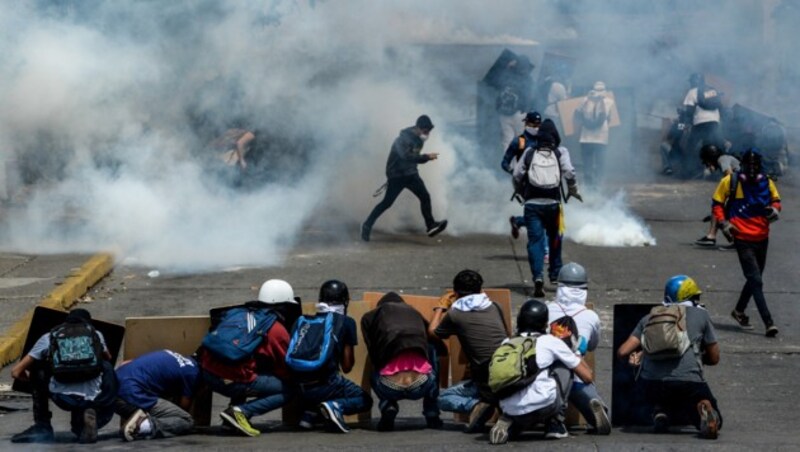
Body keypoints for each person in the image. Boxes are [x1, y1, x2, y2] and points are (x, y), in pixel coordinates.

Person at [617, 275, 722, 439]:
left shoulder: (650, 317)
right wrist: (699, 358)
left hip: (652, 383)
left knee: (657, 393)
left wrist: (641, 354)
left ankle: (660, 413)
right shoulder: (701, 315)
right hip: (688, 382)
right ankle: (703, 407)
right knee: (701, 408)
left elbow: (622, 351)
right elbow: (714, 358)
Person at [199, 279, 298, 437]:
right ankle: (242, 412)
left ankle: (229, 423)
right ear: (282, 305)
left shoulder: (237, 312)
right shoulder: (276, 330)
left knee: (246, 365)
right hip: (230, 381)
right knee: (289, 389)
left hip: (206, 373)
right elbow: (285, 368)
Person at [488, 299, 594, 444]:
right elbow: (587, 377)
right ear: (545, 324)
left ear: (519, 321)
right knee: (564, 367)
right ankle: (555, 424)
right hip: (544, 406)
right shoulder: (550, 341)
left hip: (508, 407)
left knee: (521, 413)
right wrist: (573, 351)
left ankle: (509, 423)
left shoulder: (507, 343)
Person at [10, 309, 117, 444]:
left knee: (38, 369)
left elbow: (15, 371)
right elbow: (108, 357)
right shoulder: (96, 335)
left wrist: (34, 381)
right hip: (91, 397)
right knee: (106, 365)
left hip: (62, 397)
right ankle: (86, 423)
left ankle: (43, 426)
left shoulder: (49, 337)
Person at [428, 269, 509, 433]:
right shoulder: (495, 306)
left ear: (456, 293)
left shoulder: (455, 314)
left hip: (485, 376)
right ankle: (490, 404)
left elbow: (433, 331)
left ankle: (480, 404)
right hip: (508, 367)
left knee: (443, 399)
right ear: (481, 290)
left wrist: (440, 306)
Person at [711, 149, 782, 337]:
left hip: (762, 238)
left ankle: (739, 311)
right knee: (756, 281)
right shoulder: (731, 181)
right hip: (742, 238)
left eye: (754, 166)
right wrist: (724, 223)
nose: (751, 170)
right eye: (748, 165)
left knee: (754, 279)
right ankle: (768, 322)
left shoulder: (767, 182)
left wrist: (775, 211)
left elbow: (776, 201)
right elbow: (717, 203)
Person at [512, 119, 582, 297]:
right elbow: (570, 172)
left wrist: (519, 192)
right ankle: (555, 274)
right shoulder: (560, 152)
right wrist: (572, 190)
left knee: (535, 242)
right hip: (554, 205)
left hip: (532, 205)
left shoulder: (529, 152)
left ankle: (537, 277)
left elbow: (516, 174)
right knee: (556, 239)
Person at [292, 280, 373, 433]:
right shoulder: (346, 322)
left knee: (318, 384)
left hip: (298, 387)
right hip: (325, 384)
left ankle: (309, 414)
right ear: (344, 301)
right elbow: (347, 366)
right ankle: (335, 406)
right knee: (364, 400)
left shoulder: (304, 321)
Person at [361, 291, 444, 431]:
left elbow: (372, 351)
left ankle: (388, 405)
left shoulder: (369, 317)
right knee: (432, 348)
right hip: (422, 384)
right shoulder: (414, 312)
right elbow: (434, 337)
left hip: (389, 387)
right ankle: (432, 413)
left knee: (374, 359)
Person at [546, 262, 611, 435]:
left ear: (560, 287)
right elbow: (592, 346)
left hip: (546, 375)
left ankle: (552, 421)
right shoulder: (590, 316)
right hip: (576, 375)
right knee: (581, 386)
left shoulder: (546, 309)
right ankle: (597, 406)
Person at [361, 115, 447, 242]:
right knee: (387, 203)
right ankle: (367, 225)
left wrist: (423, 159)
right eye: (425, 131)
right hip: (397, 176)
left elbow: (414, 157)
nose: (427, 134)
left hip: (411, 174)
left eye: (428, 132)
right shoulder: (402, 140)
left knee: (425, 197)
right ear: (418, 128)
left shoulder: (419, 139)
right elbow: (406, 156)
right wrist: (426, 157)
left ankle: (431, 226)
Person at [114, 349, 201, 441]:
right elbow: (184, 406)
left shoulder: (169, 352)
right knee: (186, 420)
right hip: (131, 394)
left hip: (113, 387)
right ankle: (142, 425)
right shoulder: (193, 372)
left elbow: (125, 363)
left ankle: (139, 419)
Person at [695, 144, 740, 247]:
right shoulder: (724, 158)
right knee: (718, 206)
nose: (706, 164)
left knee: (718, 205)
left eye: (707, 161)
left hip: (742, 190)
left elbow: (730, 178)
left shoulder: (722, 159)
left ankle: (733, 239)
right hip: (743, 188)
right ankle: (711, 237)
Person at [682, 73, 724, 179]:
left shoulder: (692, 92)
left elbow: (689, 112)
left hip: (700, 122)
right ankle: (715, 173)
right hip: (714, 122)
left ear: (693, 81)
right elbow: (720, 106)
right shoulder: (712, 90)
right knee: (712, 147)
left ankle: (689, 173)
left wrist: (685, 124)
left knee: (690, 147)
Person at [490, 54, 535, 151]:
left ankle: (508, 163)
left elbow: (498, 82)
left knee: (507, 140)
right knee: (521, 138)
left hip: (504, 112)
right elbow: (530, 96)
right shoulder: (528, 79)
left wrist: (508, 67)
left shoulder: (508, 75)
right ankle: (521, 160)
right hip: (520, 113)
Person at [576, 81, 615, 187]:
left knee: (588, 164)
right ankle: (597, 187)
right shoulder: (609, 101)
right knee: (599, 165)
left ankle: (590, 187)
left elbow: (577, 114)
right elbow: (610, 119)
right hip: (600, 138)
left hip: (588, 138)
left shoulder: (585, 100)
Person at [659, 107, 691, 176]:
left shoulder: (679, 125)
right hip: (683, 153)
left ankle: (667, 168)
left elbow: (669, 136)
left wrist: (671, 124)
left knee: (663, 146)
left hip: (678, 153)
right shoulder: (687, 124)